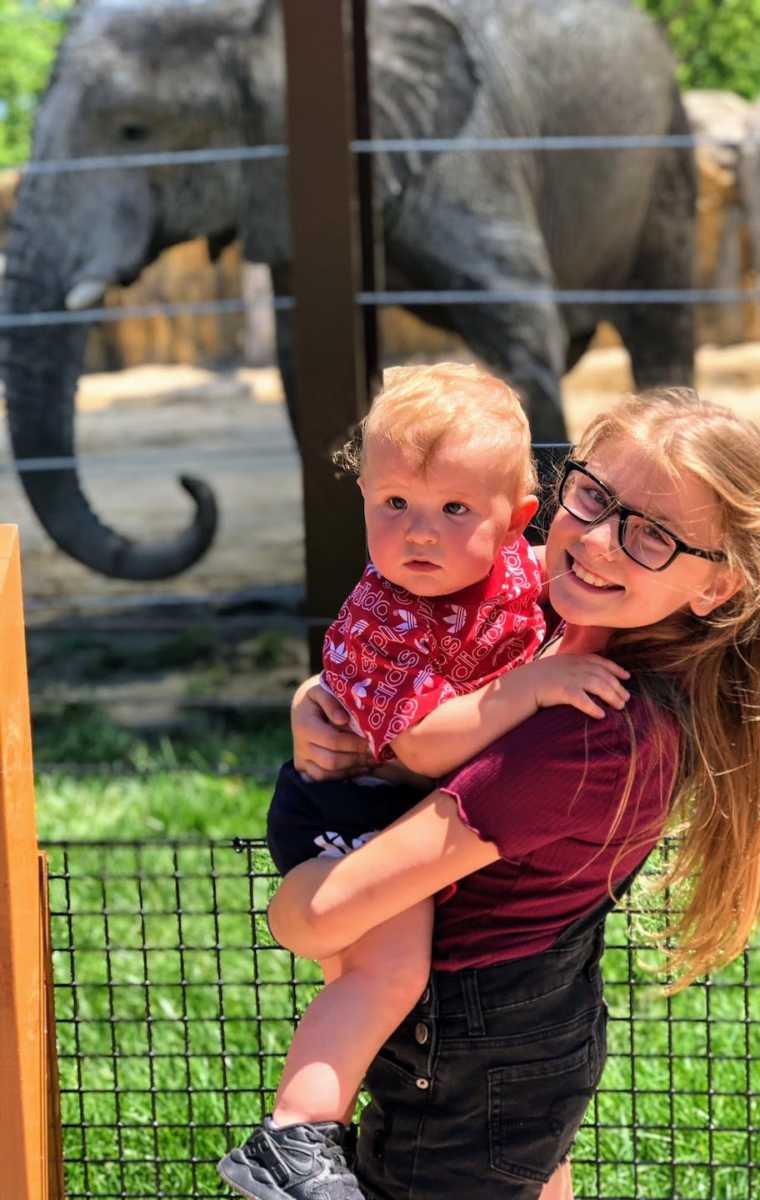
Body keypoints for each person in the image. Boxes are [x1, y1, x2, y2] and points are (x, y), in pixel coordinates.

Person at [221, 387, 760, 1200]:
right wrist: (327, 706)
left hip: (466, 1073)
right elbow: (426, 691)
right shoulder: (557, 632)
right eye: (595, 495)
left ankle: (289, 1137)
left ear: (718, 587)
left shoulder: (584, 730)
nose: (597, 542)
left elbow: (319, 916)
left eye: (650, 537)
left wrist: (306, 873)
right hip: (523, 1045)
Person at [218, 362, 632, 1200]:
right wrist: (530, 688)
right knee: (387, 968)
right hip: (353, 803)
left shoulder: (525, 576)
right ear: (363, 495)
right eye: (394, 504)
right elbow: (420, 747)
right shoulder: (381, 615)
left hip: (427, 824)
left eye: (454, 509)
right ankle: (295, 1131)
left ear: (518, 520)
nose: (419, 533)